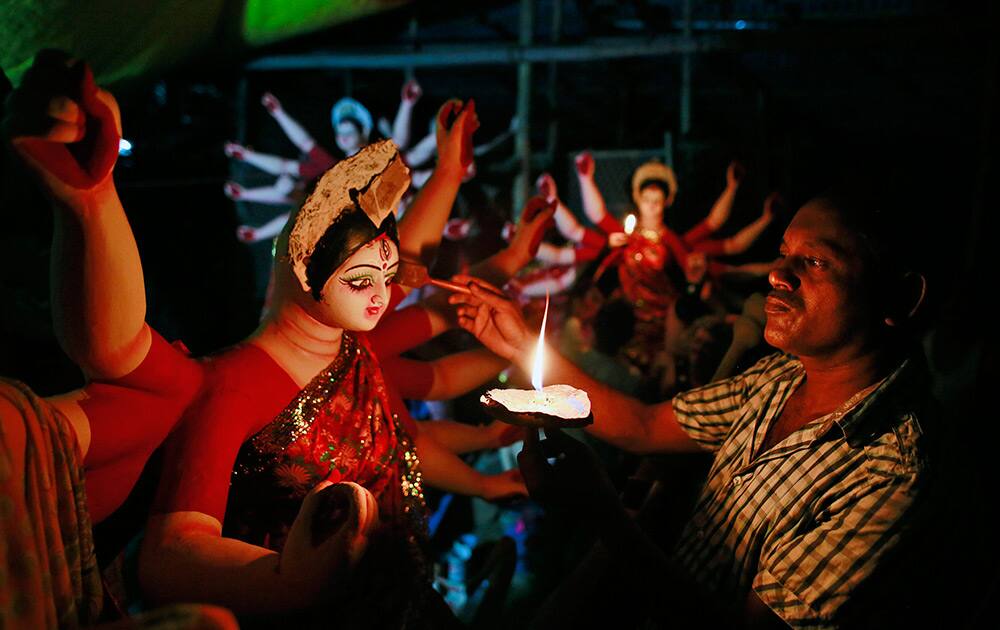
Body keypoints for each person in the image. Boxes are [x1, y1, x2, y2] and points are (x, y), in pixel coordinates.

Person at [451, 191, 933, 627]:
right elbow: (644, 426)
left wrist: (603, 513)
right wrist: (523, 348)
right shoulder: (778, 378)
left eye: (816, 262)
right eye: (785, 253)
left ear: (901, 297)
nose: (777, 274)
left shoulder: (890, 471)